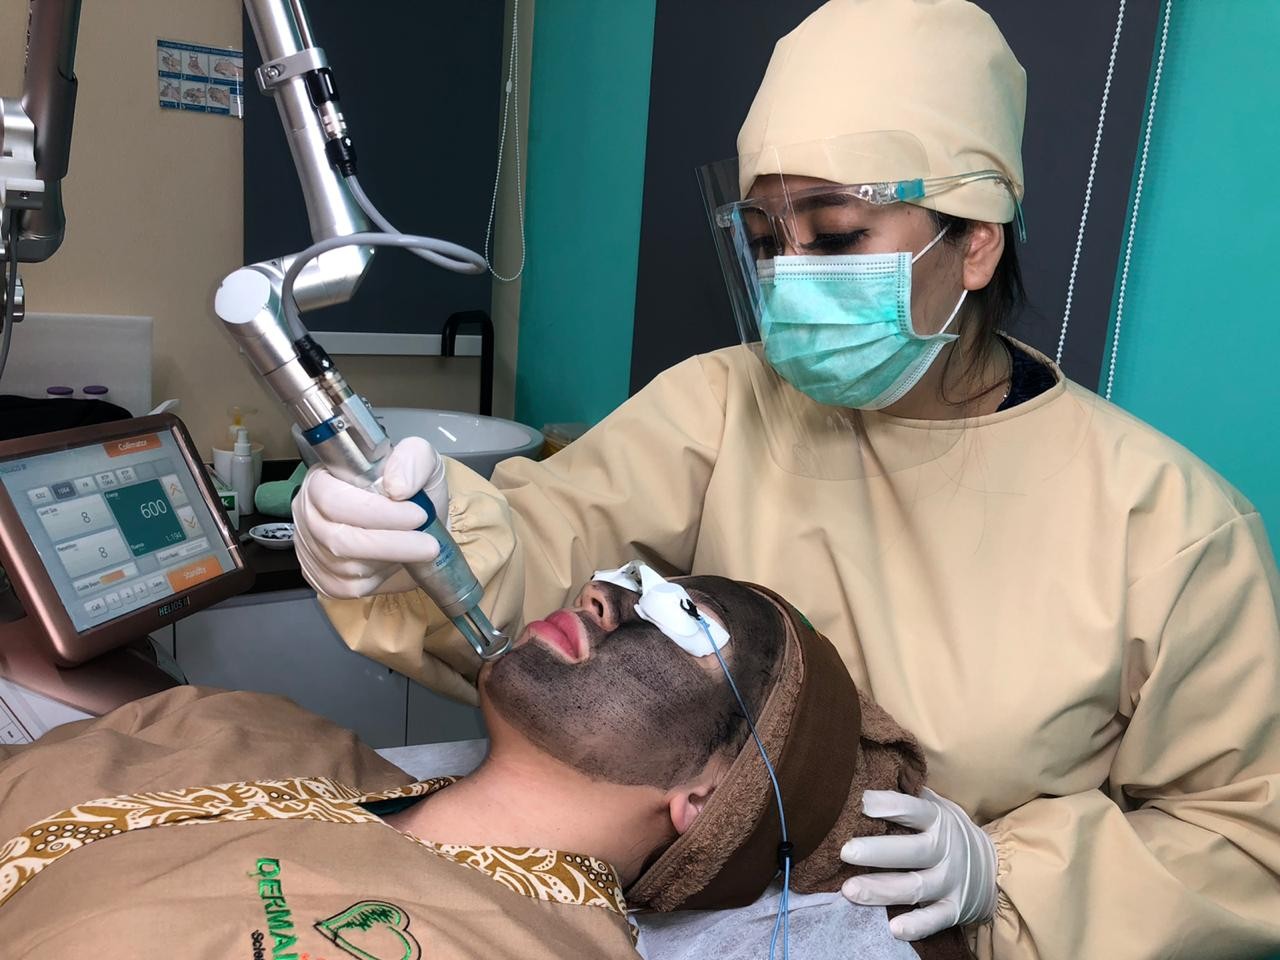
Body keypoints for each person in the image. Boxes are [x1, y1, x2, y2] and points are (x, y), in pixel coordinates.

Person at [292, 1, 1280, 957]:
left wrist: (1009, 879)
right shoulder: (724, 404)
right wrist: (418, 541)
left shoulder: (1164, 523)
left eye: (837, 234)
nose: (793, 277)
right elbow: (540, 560)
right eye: (767, 243)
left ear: (975, 243)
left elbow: (1243, 840)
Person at [0, 572, 967, 960]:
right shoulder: (251, 726)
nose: (603, 595)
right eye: (630, 578)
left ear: (708, 795)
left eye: (684, 619)